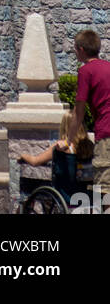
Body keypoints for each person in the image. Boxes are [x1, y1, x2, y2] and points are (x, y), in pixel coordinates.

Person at [67, 28, 110, 212]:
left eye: (75, 50)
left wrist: (67, 140)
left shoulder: (86, 71)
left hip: (106, 132)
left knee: (105, 189)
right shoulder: (108, 66)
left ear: (81, 49)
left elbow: (79, 112)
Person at [18, 107, 94, 199]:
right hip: (88, 195)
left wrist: (23, 155)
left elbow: (35, 161)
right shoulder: (89, 146)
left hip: (67, 195)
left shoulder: (60, 147)